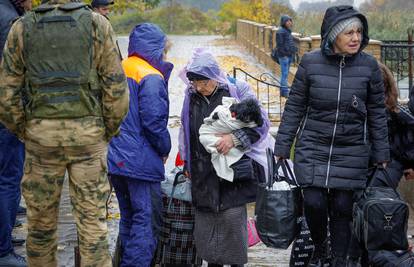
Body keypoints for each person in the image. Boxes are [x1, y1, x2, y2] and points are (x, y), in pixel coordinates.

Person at [0, 0, 129, 266]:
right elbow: (116, 87)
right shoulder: (97, 24)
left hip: (41, 139)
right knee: (92, 225)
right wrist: (107, 130)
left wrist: (25, 130)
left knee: (40, 226)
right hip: (88, 139)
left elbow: (6, 93)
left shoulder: (22, 27)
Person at [274, 5, 389, 267]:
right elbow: (295, 106)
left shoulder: (369, 66)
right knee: (313, 202)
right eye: (349, 32)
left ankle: (338, 259)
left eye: (359, 32)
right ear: (333, 35)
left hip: (351, 150)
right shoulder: (311, 62)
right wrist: (283, 145)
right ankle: (320, 245)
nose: (355, 38)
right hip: (313, 145)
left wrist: (382, 153)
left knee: (342, 208)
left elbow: (377, 113)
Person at [179, 49, 274, 267]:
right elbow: (186, 130)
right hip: (203, 173)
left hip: (233, 174)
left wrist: (234, 138)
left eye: (203, 82)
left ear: (214, 76)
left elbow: (261, 125)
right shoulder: (190, 95)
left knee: (232, 228)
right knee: (207, 234)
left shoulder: (237, 89)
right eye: (194, 82)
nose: (199, 87)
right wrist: (186, 161)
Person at [107, 23, 173, 267]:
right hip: (140, 162)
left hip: (116, 159)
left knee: (128, 219)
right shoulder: (151, 77)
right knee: (146, 222)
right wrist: (165, 149)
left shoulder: (119, 68)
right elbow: (154, 122)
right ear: (157, 49)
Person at [0, 0, 31, 266]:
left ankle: (5, 233)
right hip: (6, 113)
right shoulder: (10, 21)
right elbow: (13, 73)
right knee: (8, 178)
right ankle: (3, 249)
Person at [276, 14, 297, 98]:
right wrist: (284, 55)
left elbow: (289, 43)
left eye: (290, 21)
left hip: (288, 55)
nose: (289, 22)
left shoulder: (287, 31)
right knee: (284, 74)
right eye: (287, 21)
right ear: (283, 22)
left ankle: (283, 91)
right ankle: (284, 92)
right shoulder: (281, 32)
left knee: (285, 74)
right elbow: (280, 45)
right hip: (284, 56)